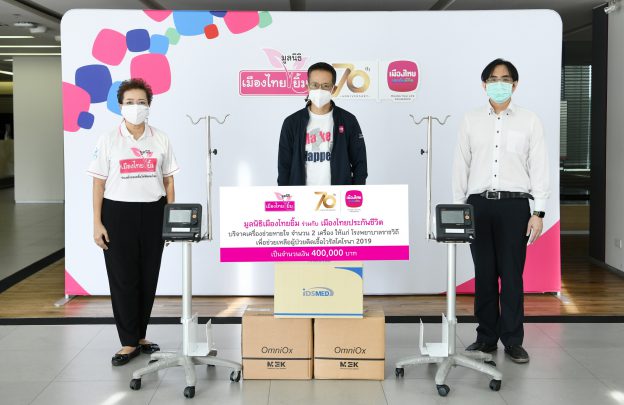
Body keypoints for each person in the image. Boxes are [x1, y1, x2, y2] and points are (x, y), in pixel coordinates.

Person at [452, 58, 549, 364]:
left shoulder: (529, 120)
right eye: (493, 79)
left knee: (511, 275)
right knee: (483, 274)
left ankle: (513, 340)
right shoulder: (471, 120)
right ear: (484, 85)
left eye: (505, 79)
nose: (499, 84)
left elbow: (539, 167)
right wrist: (460, 209)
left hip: (515, 206)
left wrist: (539, 213)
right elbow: (461, 165)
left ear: (514, 85)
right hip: (478, 205)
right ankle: (486, 337)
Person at [88, 78, 179, 366]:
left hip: (154, 212)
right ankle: (128, 341)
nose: (135, 107)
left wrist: (170, 217)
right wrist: (97, 223)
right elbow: (98, 184)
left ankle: (140, 335)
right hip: (118, 214)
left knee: (148, 276)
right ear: (120, 106)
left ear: (149, 106)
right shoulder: (108, 139)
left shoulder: (160, 138)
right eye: (130, 102)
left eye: (141, 102)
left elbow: (169, 180)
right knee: (123, 278)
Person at [277, 62, 367, 186]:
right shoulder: (291, 123)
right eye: (314, 85)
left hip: (338, 195)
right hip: (301, 194)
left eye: (325, 86)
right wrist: (286, 194)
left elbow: (360, 164)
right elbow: (284, 167)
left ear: (334, 89)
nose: (319, 90)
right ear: (307, 87)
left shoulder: (348, 121)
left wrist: (355, 192)